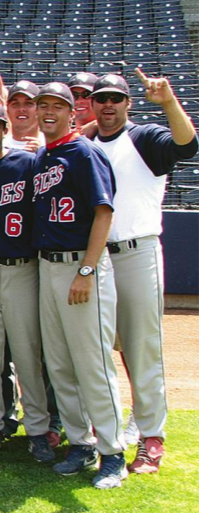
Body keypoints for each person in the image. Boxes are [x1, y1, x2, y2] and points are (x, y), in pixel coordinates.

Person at [89, 71, 198, 474]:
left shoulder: (145, 137)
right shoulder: (88, 144)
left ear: (128, 103)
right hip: (96, 257)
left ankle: (152, 437)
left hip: (137, 251)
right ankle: (106, 431)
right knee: (99, 349)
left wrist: (168, 101)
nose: (108, 105)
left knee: (142, 349)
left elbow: (188, 145)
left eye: (116, 98)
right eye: (102, 99)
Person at [31, 82, 124, 489]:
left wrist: (87, 270)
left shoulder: (85, 152)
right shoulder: (41, 156)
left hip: (79, 266)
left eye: (57, 106)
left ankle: (113, 452)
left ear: (74, 112)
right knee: (61, 363)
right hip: (47, 267)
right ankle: (80, 443)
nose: (48, 112)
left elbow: (103, 213)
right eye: (42, 106)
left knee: (93, 364)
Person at [0, 102, 55, 463]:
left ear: (5, 128)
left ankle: (37, 428)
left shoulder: (27, 163)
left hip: (23, 268)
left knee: (26, 353)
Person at [4, 81, 45, 152]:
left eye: (28, 103)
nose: (21, 109)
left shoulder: (51, 147)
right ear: (7, 110)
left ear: (39, 109)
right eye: (15, 104)